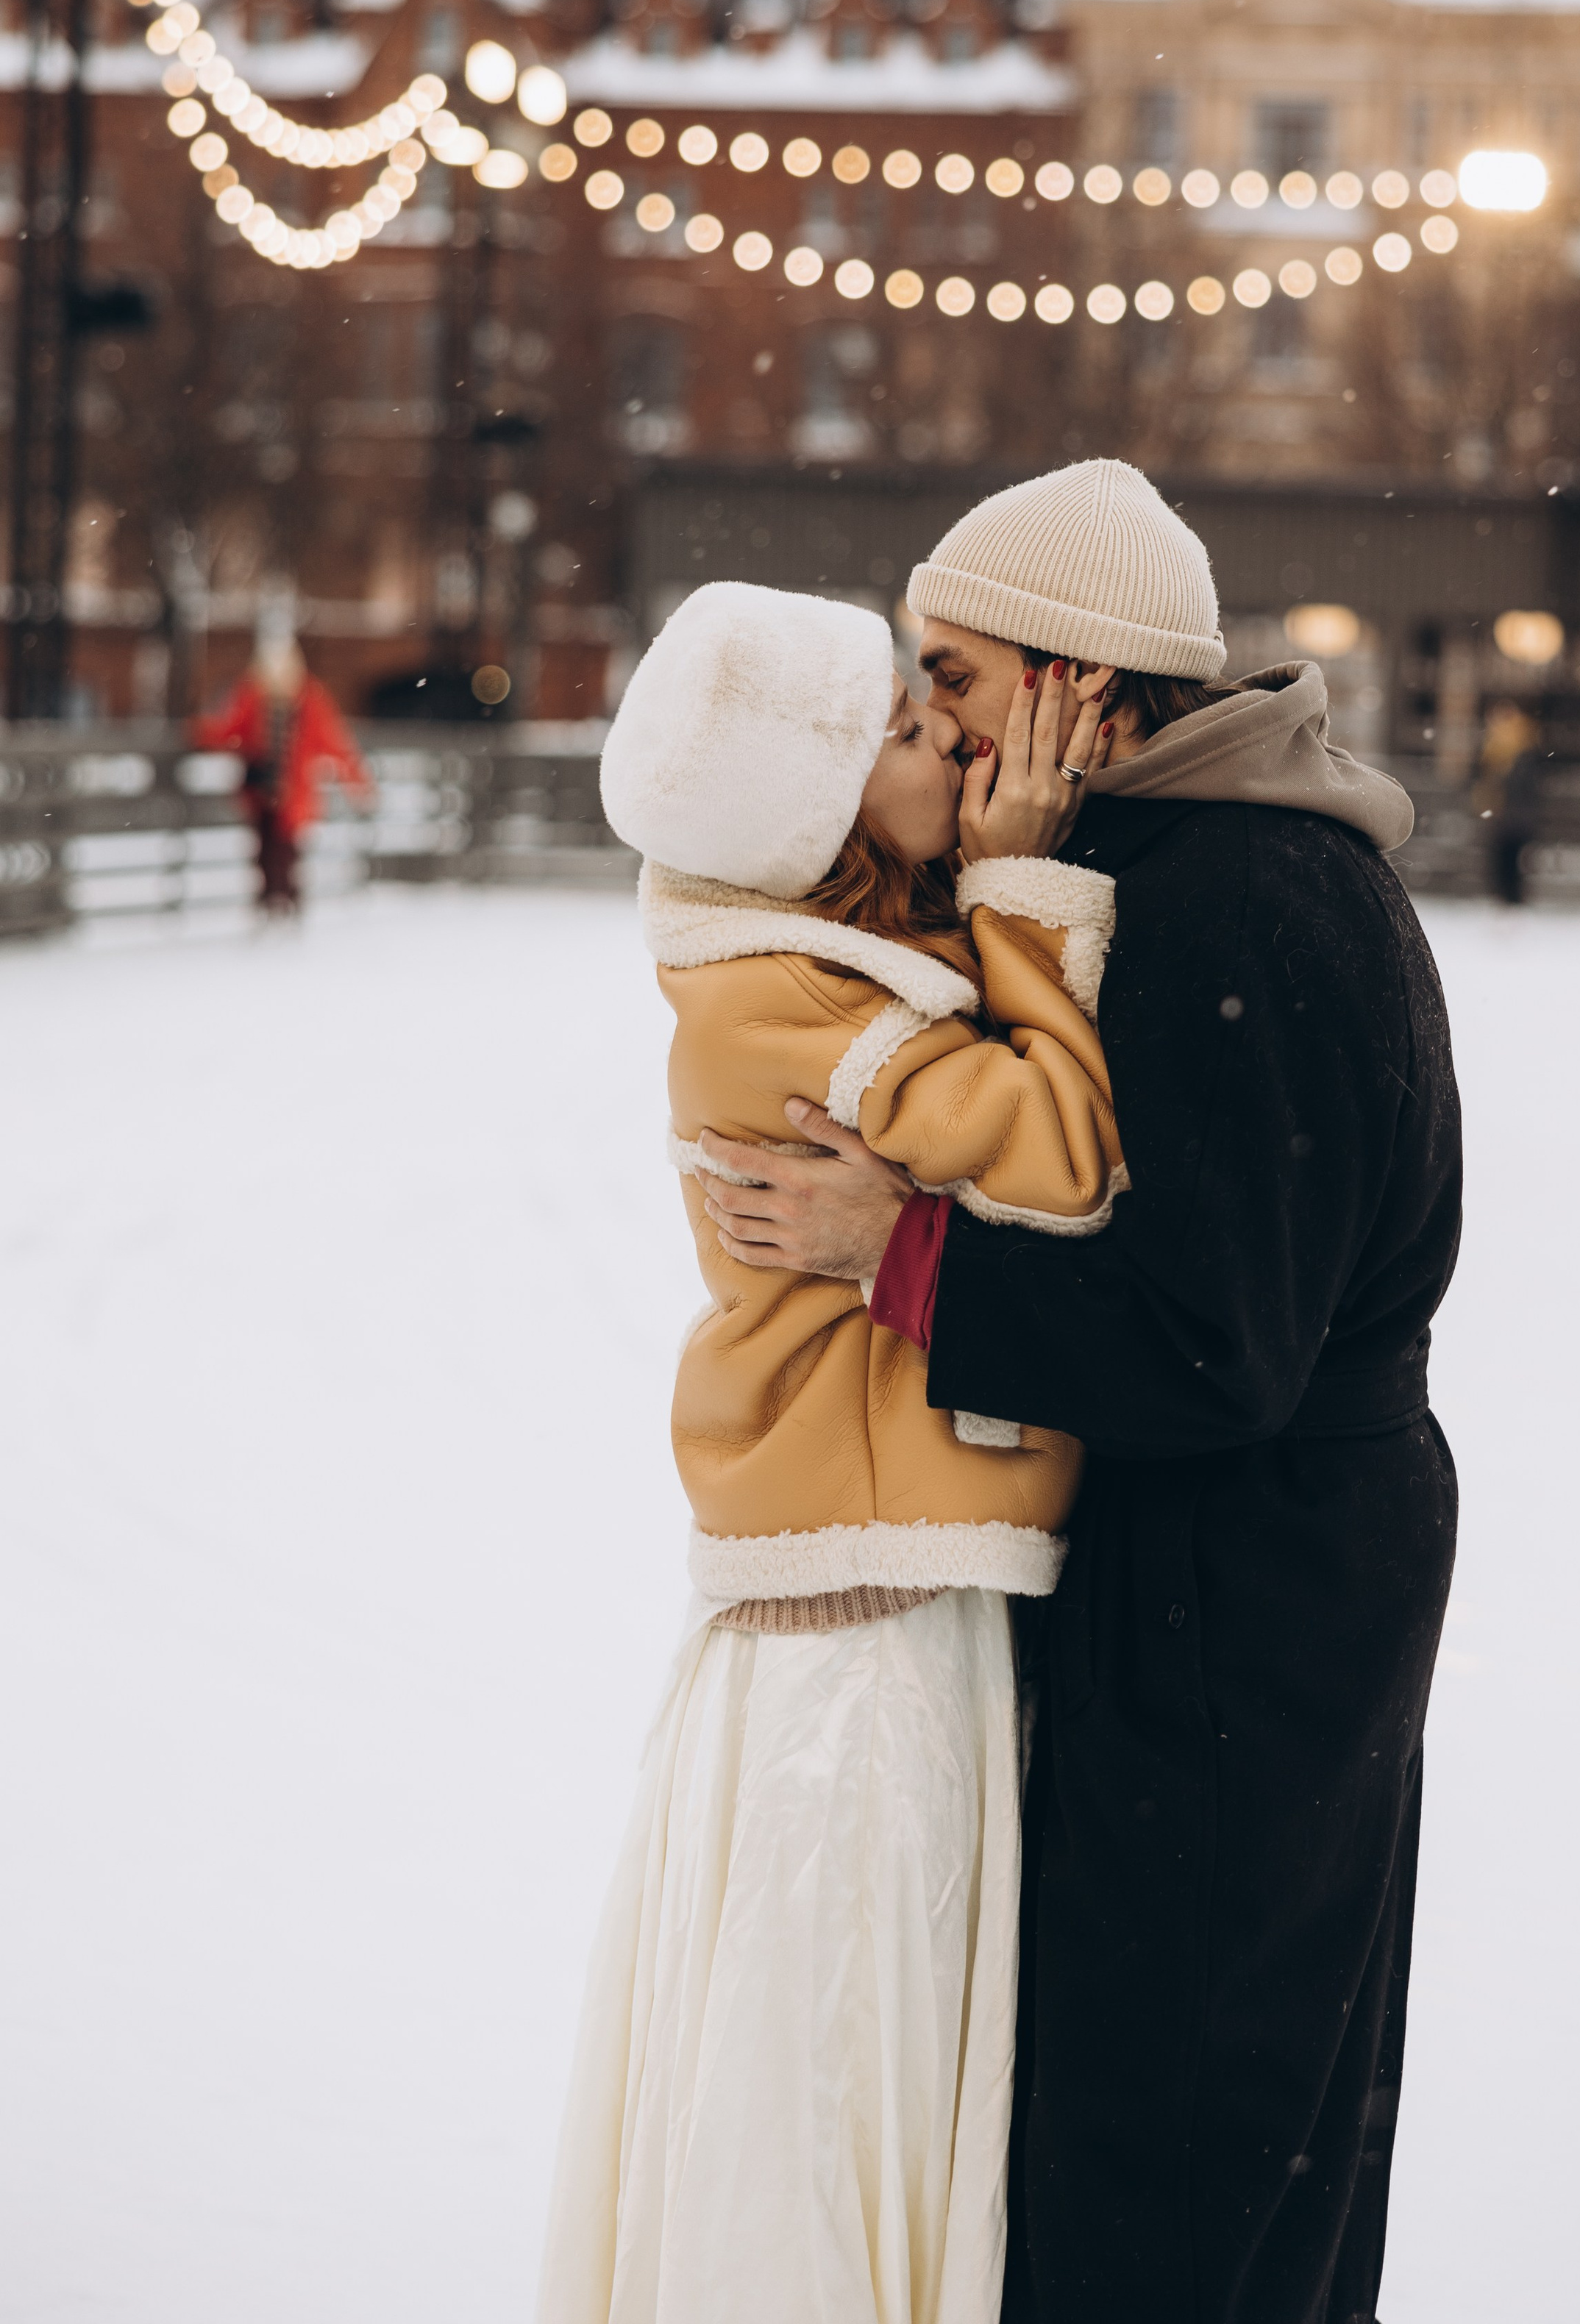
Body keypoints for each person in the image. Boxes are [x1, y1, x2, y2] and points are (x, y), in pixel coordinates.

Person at [696, 460, 1464, 2324]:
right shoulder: (1187, 859)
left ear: (1080, 684)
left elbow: (1214, 1344)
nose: (930, 713)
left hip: (1246, 1585)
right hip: (1233, 1563)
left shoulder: (1246, 894)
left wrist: (895, 1249)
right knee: (1198, 2111)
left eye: (953, 673)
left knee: (1177, 2124)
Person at [535, 580, 1133, 2324]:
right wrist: (1023, 894)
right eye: (897, 728)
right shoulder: (795, 1008)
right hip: (861, 1622)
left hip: (888, 1570)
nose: (950, 738)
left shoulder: (828, 960)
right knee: (828, 2060)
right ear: (808, 813)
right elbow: (1059, 1149)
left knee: (867, 2047)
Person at [192, 632, 374, 914]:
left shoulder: (309, 699)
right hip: (261, 791)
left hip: (292, 792)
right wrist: (202, 733)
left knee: (285, 849)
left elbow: (335, 742)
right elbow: (231, 731)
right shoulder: (252, 695)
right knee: (266, 851)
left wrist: (357, 781)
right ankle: (273, 903)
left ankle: (284, 903)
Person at [1474, 698, 1543, 905]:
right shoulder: (1496, 747)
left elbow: (1521, 785)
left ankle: (1510, 898)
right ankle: (1506, 897)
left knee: (1510, 860)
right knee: (1505, 860)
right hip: (1504, 815)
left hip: (1511, 815)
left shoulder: (1520, 748)